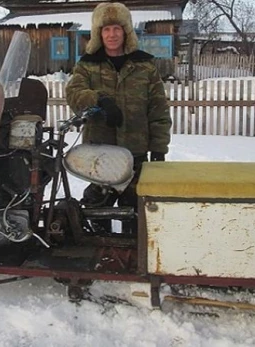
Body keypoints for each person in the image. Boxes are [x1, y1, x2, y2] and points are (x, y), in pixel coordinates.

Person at [65, 2, 172, 234]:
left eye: (117, 28)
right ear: (98, 33)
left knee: (134, 208)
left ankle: (132, 256)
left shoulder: (145, 65)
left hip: (136, 151)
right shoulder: (87, 65)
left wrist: (159, 147)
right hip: (100, 153)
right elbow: (74, 94)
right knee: (96, 207)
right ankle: (99, 251)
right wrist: (98, 99)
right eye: (106, 29)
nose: (112, 35)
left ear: (126, 31)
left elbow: (158, 108)